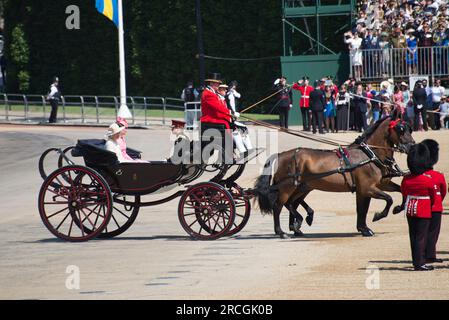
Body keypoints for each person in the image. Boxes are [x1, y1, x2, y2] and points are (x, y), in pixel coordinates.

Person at [401, 143, 436, 271]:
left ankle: (416, 261)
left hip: (410, 208)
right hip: (423, 209)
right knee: (421, 237)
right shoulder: (427, 179)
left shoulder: (406, 179)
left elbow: (404, 193)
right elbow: (433, 196)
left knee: (413, 236)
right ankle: (420, 263)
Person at [421, 139, 447, 264]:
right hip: (435, 206)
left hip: (421, 208)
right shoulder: (438, 176)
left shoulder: (414, 176)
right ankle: (430, 254)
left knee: (420, 233)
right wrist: (438, 201)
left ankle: (421, 255)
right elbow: (443, 191)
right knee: (433, 232)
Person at [200, 73, 233, 162]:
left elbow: (219, 107)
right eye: (217, 84)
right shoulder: (208, 94)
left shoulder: (211, 93)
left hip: (211, 118)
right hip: (208, 119)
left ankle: (229, 151)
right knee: (225, 123)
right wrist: (230, 113)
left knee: (228, 123)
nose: (218, 85)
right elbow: (218, 107)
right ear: (211, 83)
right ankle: (227, 153)